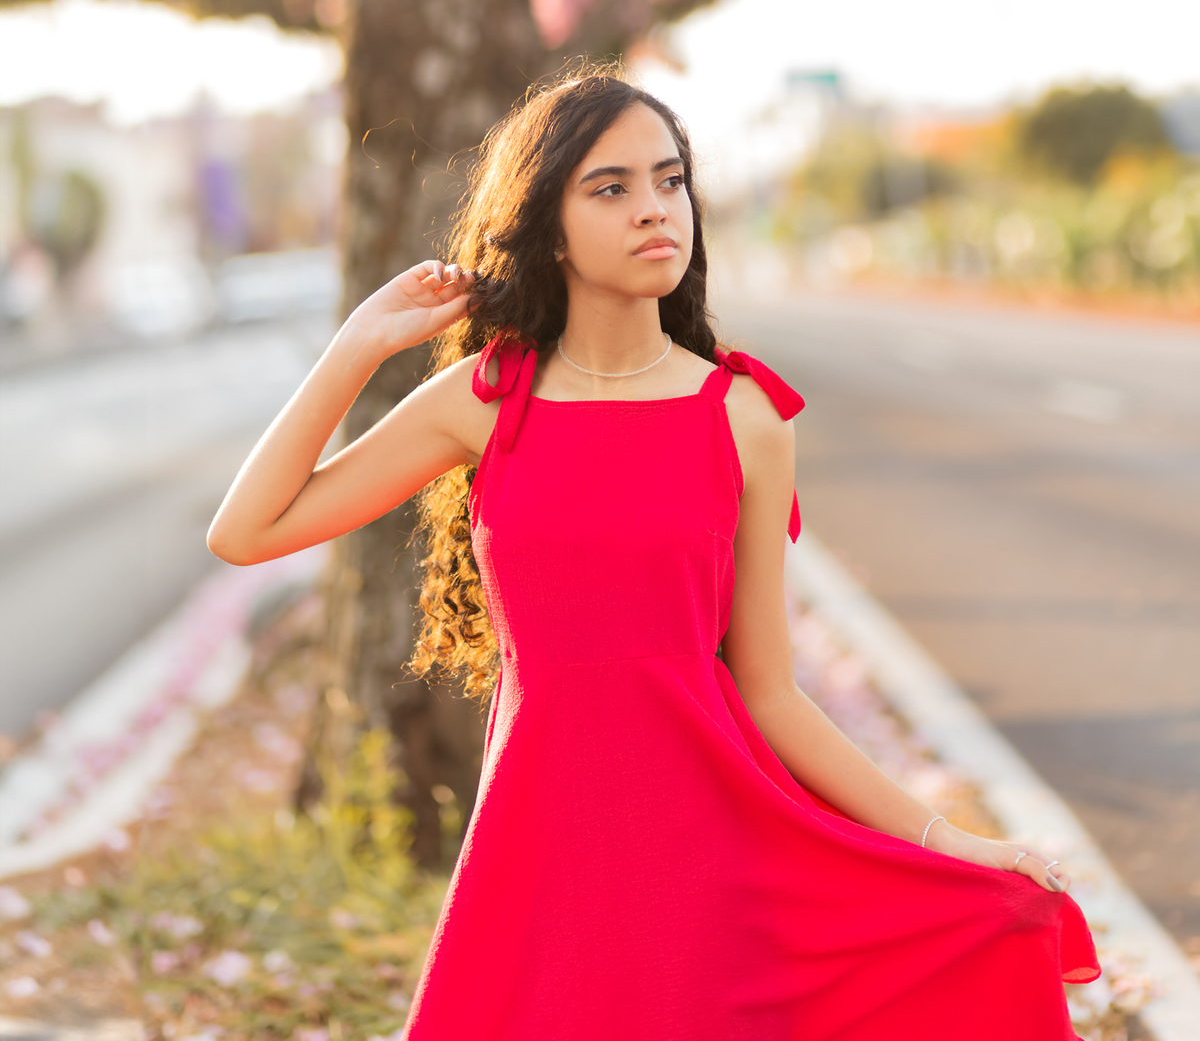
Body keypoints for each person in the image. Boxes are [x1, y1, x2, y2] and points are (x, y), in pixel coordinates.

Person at [208, 69, 1099, 1039]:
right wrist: (356, 347)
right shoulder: (487, 400)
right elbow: (248, 531)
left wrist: (955, 844)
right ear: (548, 225)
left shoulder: (746, 418)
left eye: (670, 181)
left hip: (714, 861)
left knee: (986, 928)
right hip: (540, 855)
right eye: (611, 187)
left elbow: (770, 693)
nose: (653, 210)